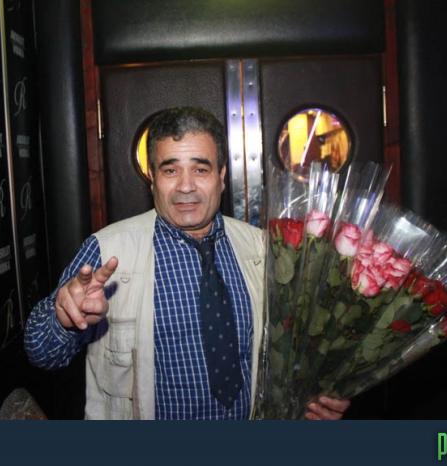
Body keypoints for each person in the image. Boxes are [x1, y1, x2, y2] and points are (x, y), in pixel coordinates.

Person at [25, 107, 350, 420]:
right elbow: (40, 353)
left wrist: (315, 393)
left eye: (200, 169)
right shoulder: (108, 250)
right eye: (170, 170)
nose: (185, 186)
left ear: (222, 176)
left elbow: (296, 349)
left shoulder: (264, 249)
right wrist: (63, 319)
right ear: (152, 178)